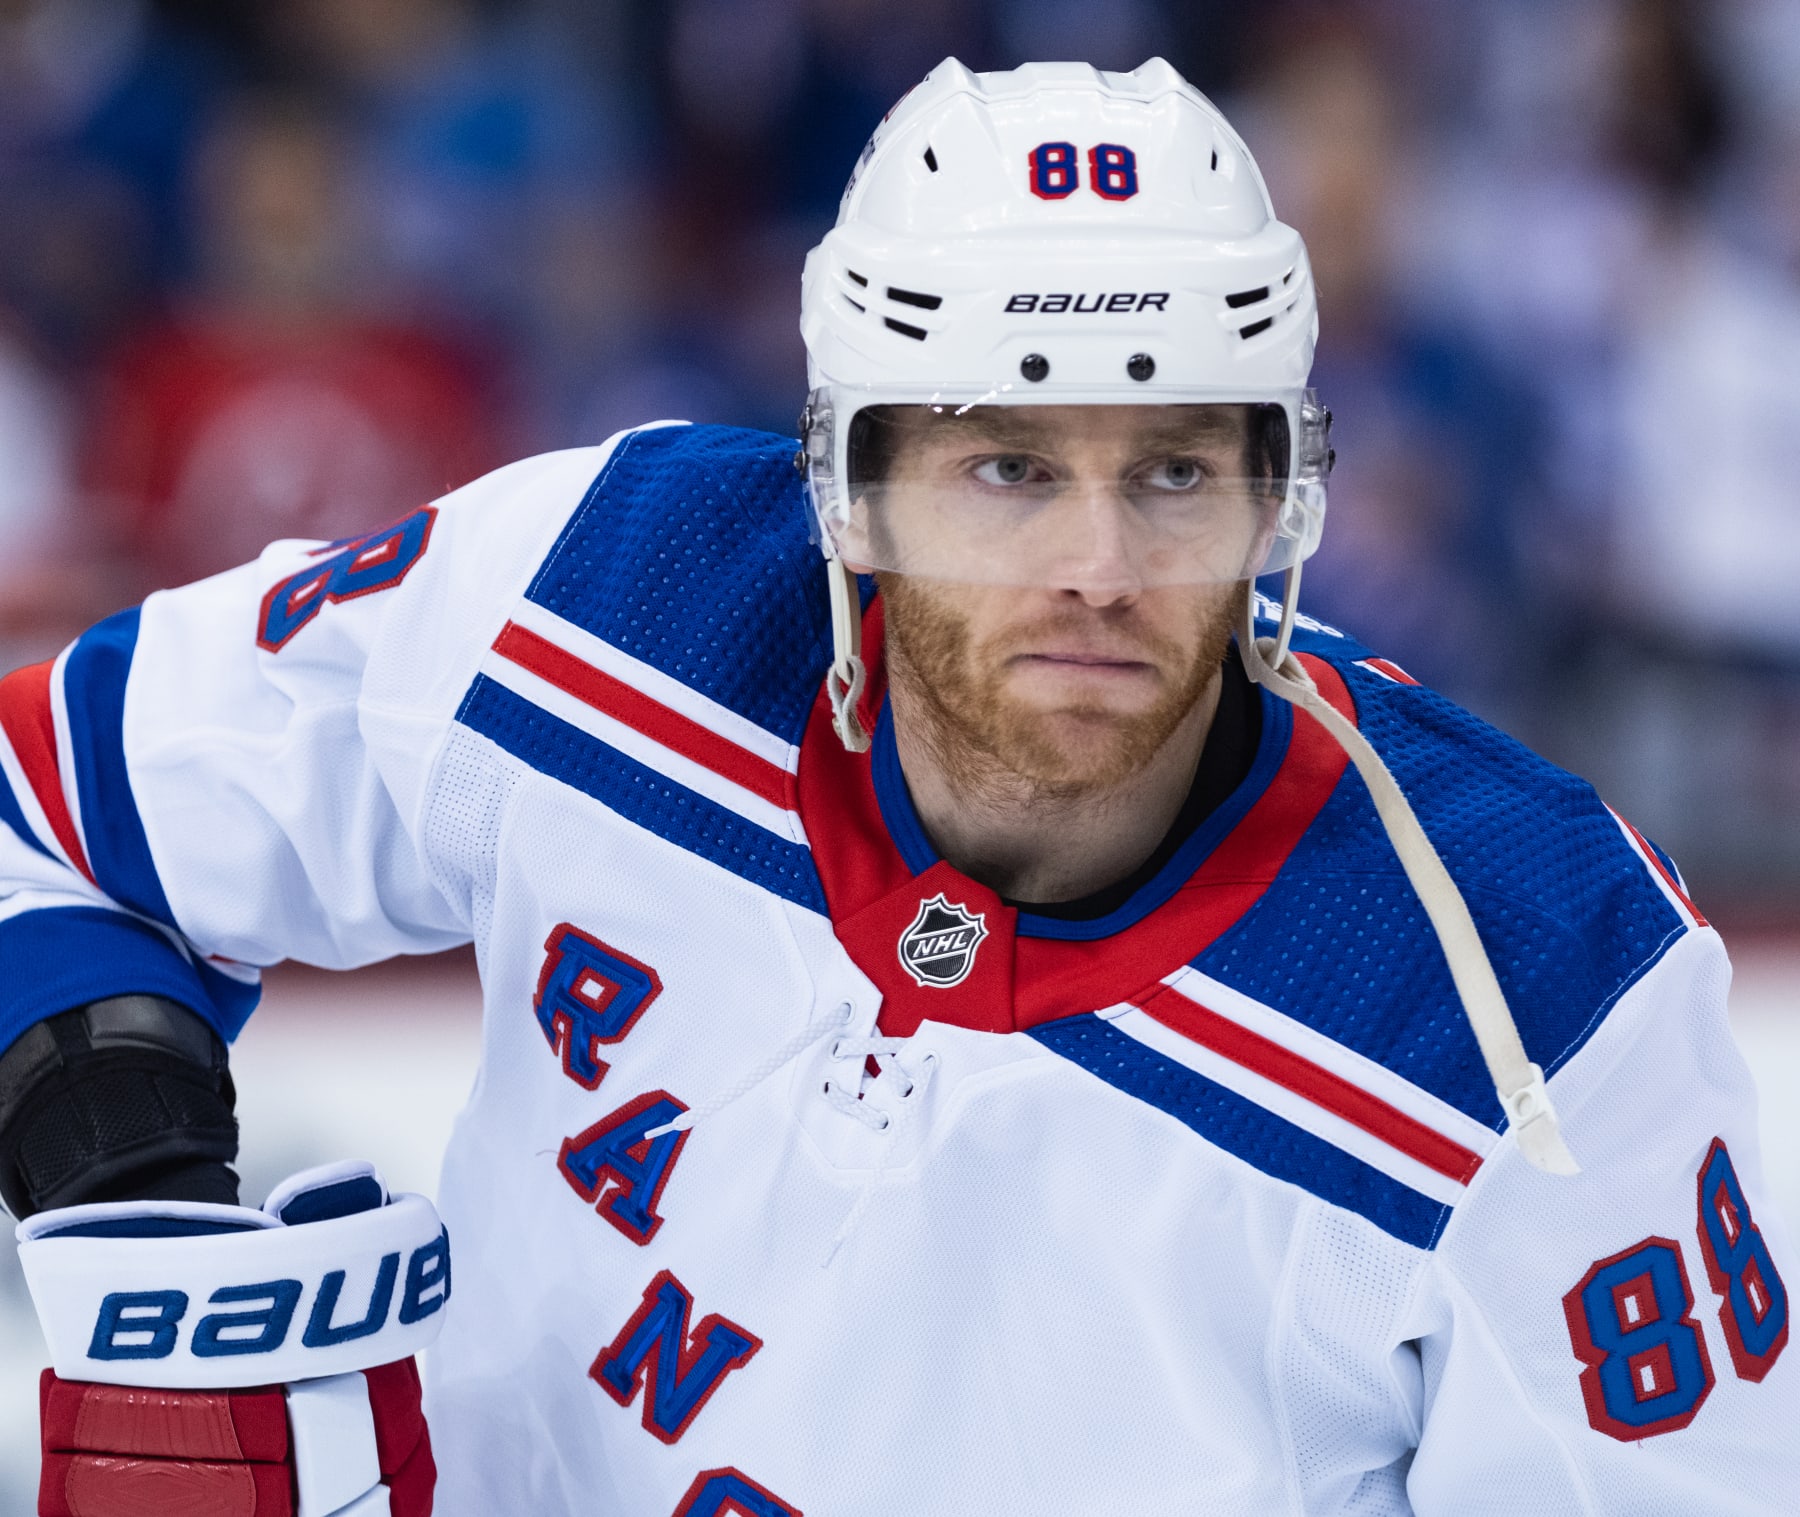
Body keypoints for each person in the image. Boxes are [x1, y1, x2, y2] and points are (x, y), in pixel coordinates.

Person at [1, 59, 1794, 1516]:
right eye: (1010, 464)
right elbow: (36, 799)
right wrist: (125, 1172)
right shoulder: (604, 591)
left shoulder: (1544, 988)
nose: (1101, 563)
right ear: (847, 487)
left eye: (1174, 469)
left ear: (1279, 499)